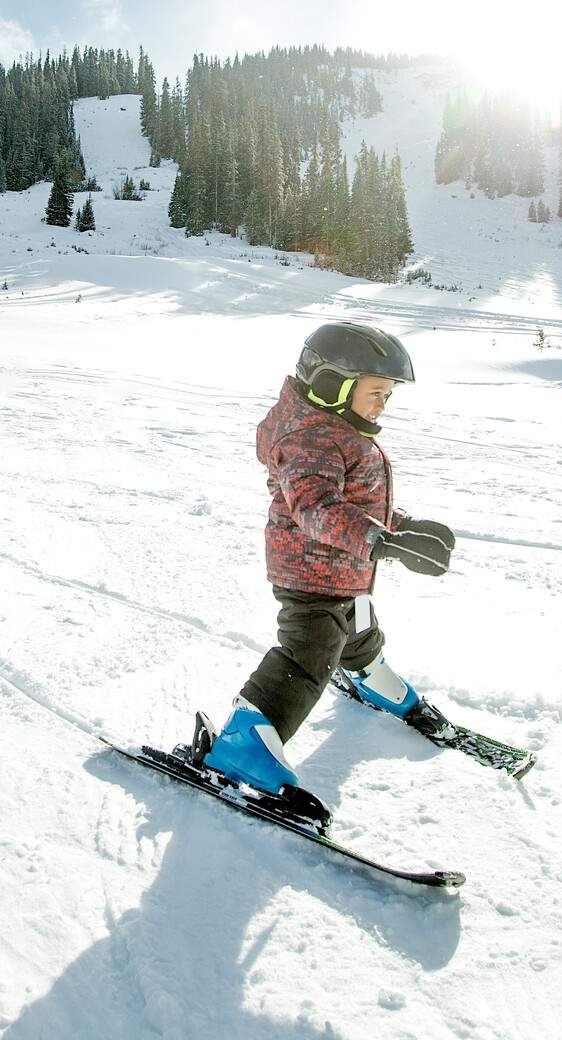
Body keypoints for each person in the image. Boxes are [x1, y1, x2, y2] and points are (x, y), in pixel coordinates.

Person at [202, 322, 456, 799]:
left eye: (388, 394)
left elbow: (355, 500)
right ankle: (242, 743)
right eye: (376, 392)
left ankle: (368, 675)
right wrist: (379, 541)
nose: (384, 404)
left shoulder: (338, 430)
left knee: (357, 627)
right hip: (308, 572)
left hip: (345, 570)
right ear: (331, 385)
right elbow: (316, 506)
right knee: (311, 650)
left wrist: (401, 529)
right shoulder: (310, 439)